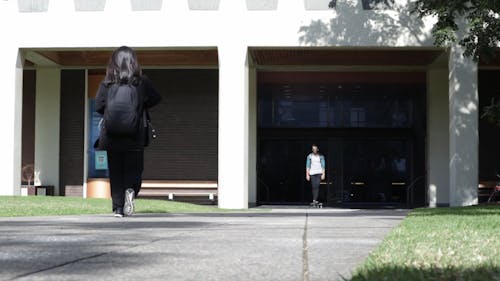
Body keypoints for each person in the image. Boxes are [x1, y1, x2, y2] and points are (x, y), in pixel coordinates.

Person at [95, 46, 161, 217]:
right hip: (135, 135)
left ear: (114, 63)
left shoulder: (107, 83)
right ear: (134, 62)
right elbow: (156, 98)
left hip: (112, 136)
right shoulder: (142, 82)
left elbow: (98, 106)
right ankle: (130, 190)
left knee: (115, 171)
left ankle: (118, 208)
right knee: (134, 169)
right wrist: (140, 106)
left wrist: (111, 114)